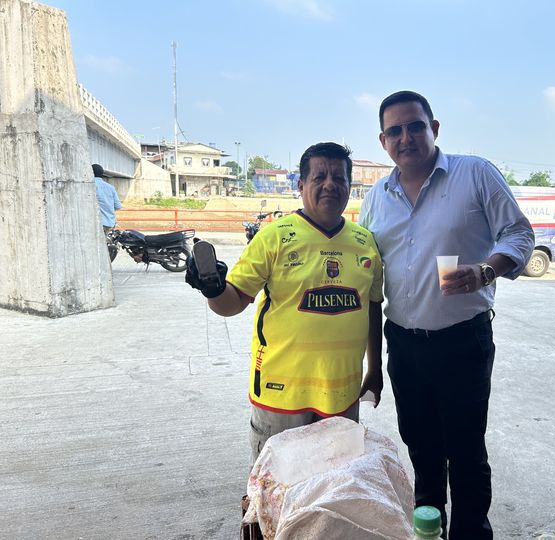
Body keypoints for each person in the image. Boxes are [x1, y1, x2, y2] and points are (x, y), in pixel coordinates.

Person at [359, 91, 535, 540]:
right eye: (395, 131)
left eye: (415, 126)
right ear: (383, 141)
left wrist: (485, 271)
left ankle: (471, 532)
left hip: (462, 342)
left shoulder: (474, 174)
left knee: (466, 450)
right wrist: (372, 364)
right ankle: (429, 528)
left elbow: (519, 234)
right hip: (404, 344)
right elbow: (369, 274)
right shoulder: (376, 198)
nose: (406, 137)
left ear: (434, 128)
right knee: (421, 447)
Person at [185, 142, 384, 461]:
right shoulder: (273, 237)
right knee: (275, 486)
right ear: (301, 185)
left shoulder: (365, 243)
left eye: (339, 177)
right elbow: (231, 304)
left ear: (350, 186)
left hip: (342, 396)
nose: (330, 184)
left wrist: (375, 368)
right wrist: (212, 288)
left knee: (335, 485)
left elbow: (372, 308)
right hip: (280, 397)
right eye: (319, 177)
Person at [93, 163, 122, 235]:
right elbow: (118, 206)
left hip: (96, 224)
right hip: (110, 223)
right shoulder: (110, 187)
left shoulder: (89, 186)